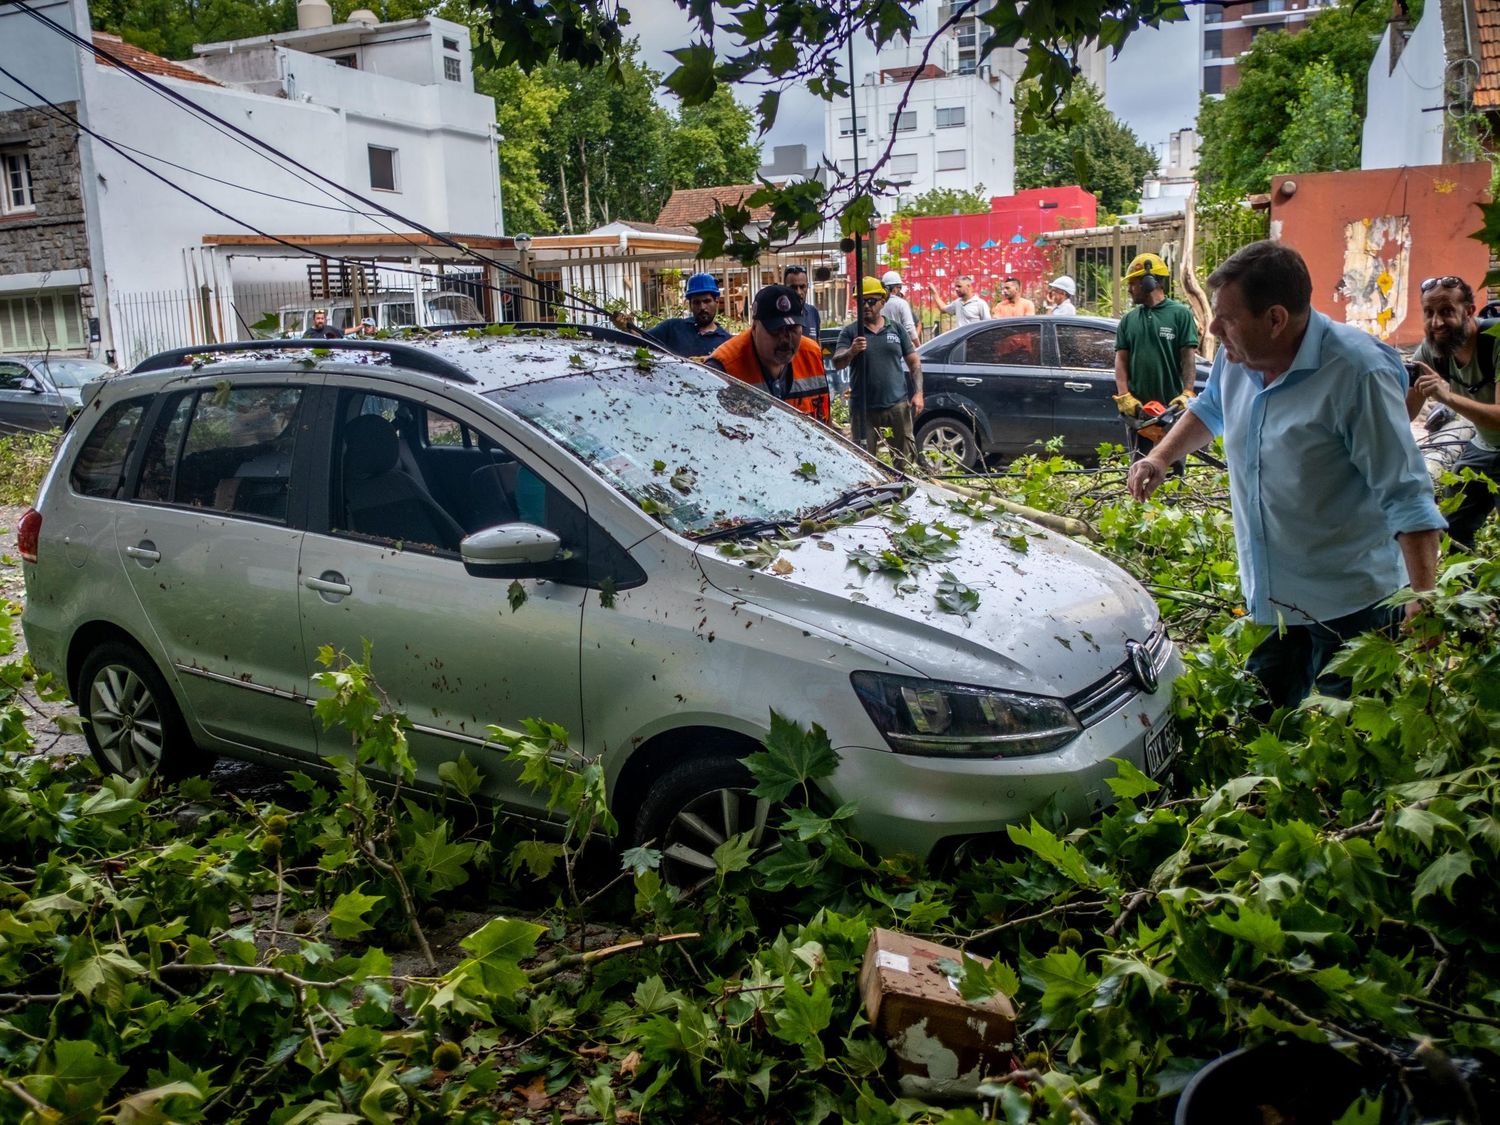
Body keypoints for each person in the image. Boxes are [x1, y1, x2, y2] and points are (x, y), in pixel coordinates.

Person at [1127, 240, 1444, 710]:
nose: (1212, 329)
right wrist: (1160, 457)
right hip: (1274, 598)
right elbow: (1210, 408)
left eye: (1227, 319)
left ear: (1275, 319)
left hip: (1354, 603)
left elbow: (1407, 494)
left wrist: (1425, 598)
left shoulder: (1357, 373)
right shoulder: (1238, 360)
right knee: (1260, 722)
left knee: (1351, 742)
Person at [1405, 274, 1500, 550]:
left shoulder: (1495, 341)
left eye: (1446, 312)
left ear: (1469, 311)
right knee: (1450, 527)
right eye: (1429, 313)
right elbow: (1405, 414)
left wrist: (1447, 397)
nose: (1436, 323)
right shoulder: (1430, 352)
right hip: (1483, 446)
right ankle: (1467, 590)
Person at [1113, 252, 1200, 461]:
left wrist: (1187, 393)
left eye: (1133, 284)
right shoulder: (1128, 320)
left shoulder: (1180, 314)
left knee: (1172, 464)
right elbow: (1121, 360)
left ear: (1149, 282)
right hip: (1139, 412)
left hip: (1171, 409)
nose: (1129, 289)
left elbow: (1188, 358)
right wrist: (1124, 395)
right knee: (1140, 464)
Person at [833, 277, 923, 471]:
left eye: (871, 301)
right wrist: (852, 351)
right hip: (863, 408)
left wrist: (918, 393)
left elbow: (914, 363)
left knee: (904, 462)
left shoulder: (897, 329)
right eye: (861, 301)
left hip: (896, 405)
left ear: (883, 301)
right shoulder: (850, 332)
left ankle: (903, 497)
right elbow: (837, 362)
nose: (866, 305)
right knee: (863, 464)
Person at [706, 284, 831, 423]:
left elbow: (826, 424)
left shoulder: (811, 355)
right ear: (754, 328)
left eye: (793, 328)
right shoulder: (722, 369)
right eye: (776, 329)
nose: (785, 338)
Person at [648, 272, 732, 359]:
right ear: (690, 305)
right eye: (696, 302)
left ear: (716, 302)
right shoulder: (671, 328)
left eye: (707, 301)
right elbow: (639, 340)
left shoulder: (726, 343)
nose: (702, 307)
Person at [881, 270, 920, 346]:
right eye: (899, 287)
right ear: (895, 289)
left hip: (881, 343)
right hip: (898, 344)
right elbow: (910, 328)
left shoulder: (878, 303)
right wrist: (918, 346)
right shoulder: (901, 303)